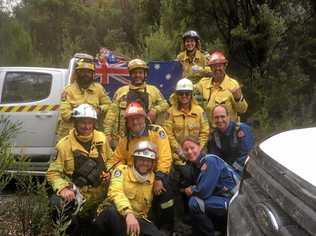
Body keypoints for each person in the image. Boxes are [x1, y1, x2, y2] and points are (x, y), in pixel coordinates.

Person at [109, 102, 175, 233]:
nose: (135, 122)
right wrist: (124, 172)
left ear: (144, 118)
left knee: (165, 197)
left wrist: (159, 178)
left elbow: (165, 157)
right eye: (131, 119)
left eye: (138, 118)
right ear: (127, 122)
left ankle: (167, 227)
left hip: (156, 174)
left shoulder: (157, 132)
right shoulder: (125, 140)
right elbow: (115, 160)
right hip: (133, 175)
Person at [47, 104, 112, 235]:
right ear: (75, 123)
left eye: (90, 123)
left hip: (100, 196)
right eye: (83, 122)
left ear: (94, 123)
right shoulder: (64, 145)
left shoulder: (102, 138)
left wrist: (109, 173)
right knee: (57, 205)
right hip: (77, 197)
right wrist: (63, 188)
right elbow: (53, 173)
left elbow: (111, 160)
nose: (87, 126)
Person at [94, 141, 163, 236]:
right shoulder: (121, 171)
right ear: (134, 160)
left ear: (152, 163)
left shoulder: (154, 179)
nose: (144, 163)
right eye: (141, 159)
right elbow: (115, 192)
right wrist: (128, 213)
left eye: (148, 160)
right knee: (112, 213)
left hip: (137, 219)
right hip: (116, 214)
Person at [104, 58, 169, 149]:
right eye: (134, 73)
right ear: (130, 74)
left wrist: (154, 110)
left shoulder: (153, 90)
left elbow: (165, 105)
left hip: (148, 139)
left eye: (140, 73)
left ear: (145, 74)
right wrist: (107, 134)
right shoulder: (121, 91)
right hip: (123, 139)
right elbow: (111, 115)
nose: (137, 75)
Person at [181, 136, 238, 236]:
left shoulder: (209, 161)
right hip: (222, 197)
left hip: (234, 200)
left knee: (195, 202)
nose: (189, 152)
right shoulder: (194, 165)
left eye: (192, 148)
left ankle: (209, 233)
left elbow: (203, 192)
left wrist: (192, 189)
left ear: (199, 146)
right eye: (186, 150)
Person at [56, 59, 111, 141]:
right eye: (82, 72)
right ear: (77, 73)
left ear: (92, 74)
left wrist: (99, 109)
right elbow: (65, 114)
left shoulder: (98, 89)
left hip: (92, 134)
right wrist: (83, 112)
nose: (86, 75)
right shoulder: (68, 91)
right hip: (70, 135)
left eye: (88, 72)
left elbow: (109, 105)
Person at [164, 78, 209, 165]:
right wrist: (180, 151)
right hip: (177, 157)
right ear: (177, 95)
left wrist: (198, 149)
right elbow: (168, 134)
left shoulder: (199, 111)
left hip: (198, 155)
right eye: (181, 93)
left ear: (191, 94)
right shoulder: (170, 112)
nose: (184, 96)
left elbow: (205, 132)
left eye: (187, 93)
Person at [194, 50, 248, 124]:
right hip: (209, 131)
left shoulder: (233, 84)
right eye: (214, 66)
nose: (217, 69)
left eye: (220, 66)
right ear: (210, 68)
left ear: (225, 66)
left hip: (227, 131)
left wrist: (238, 99)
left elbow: (243, 110)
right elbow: (188, 93)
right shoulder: (203, 83)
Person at [208, 105, 254, 175]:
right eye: (216, 117)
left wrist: (231, 170)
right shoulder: (214, 135)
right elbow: (214, 157)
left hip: (245, 171)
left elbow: (247, 154)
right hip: (227, 170)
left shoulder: (241, 129)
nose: (220, 120)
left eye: (222, 116)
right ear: (213, 119)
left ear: (228, 117)